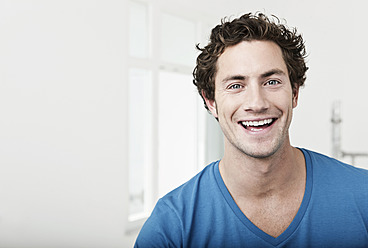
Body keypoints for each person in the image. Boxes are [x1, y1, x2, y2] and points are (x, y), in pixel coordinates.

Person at [134, 12, 368, 247]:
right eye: (236, 85)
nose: (257, 103)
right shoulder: (172, 226)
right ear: (210, 101)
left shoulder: (363, 196)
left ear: (295, 92)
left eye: (272, 82)